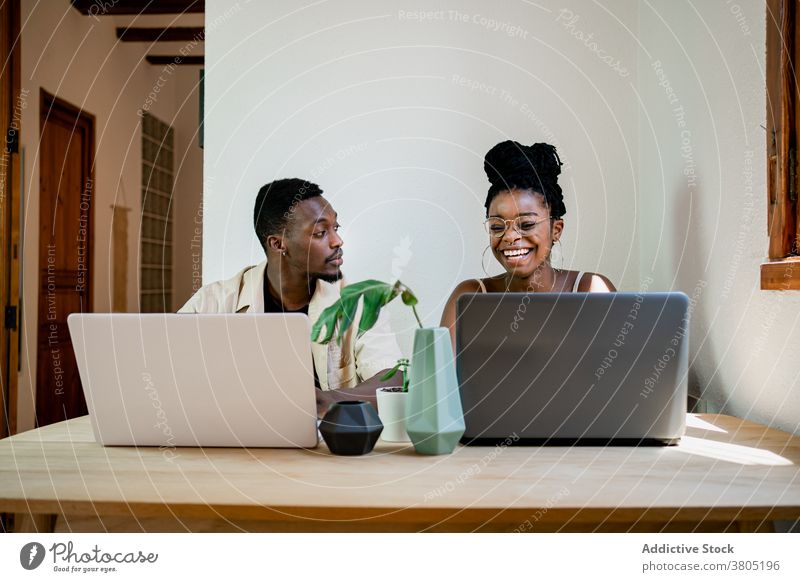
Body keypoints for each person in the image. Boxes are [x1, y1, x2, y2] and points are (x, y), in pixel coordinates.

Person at [179, 178, 402, 416]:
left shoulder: (360, 303)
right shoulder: (212, 301)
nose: (337, 241)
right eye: (320, 232)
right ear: (278, 244)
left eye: (335, 228)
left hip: (326, 449)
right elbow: (167, 368)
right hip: (236, 442)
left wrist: (328, 401)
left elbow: (394, 378)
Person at [440, 141, 616, 346]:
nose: (509, 236)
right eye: (497, 227)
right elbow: (439, 375)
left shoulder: (591, 291)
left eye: (526, 224)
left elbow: (623, 371)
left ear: (556, 230)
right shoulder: (470, 297)